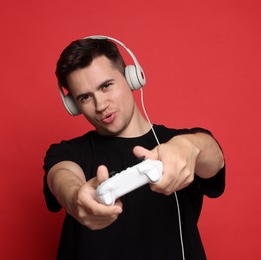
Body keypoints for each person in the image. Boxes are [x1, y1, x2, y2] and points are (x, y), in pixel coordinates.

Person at [42, 36, 225, 260]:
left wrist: (189, 146)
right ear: (74, 106)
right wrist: (74, 197)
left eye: (106, 86)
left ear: (132, 78)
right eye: (86, 97)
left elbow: (213, 157)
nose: (100, 106)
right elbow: (61, 176)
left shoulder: (177, 141)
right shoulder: (69, 152)